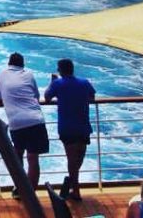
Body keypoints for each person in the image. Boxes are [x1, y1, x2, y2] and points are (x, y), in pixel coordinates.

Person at [0, 52, 49, 195]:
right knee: (33, 158)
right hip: (35, 120)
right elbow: (36, 96)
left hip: (16, 122)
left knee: (17, 154)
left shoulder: (0, 76)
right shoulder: (29, 74)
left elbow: (0, 99)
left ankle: (20, 187)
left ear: (9, 63)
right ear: (22, 64)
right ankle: (31, 193)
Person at [44, 58, 96, 201]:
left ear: (60, 70)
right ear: (72, 69)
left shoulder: (58, 83)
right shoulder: (84, 83)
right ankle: (73, 186)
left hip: (67, 128)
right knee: (78, 158)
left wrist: (52, 82)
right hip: (83, 126)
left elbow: (47, 97)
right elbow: (92, 96)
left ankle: (74, 187)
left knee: (72, 160)